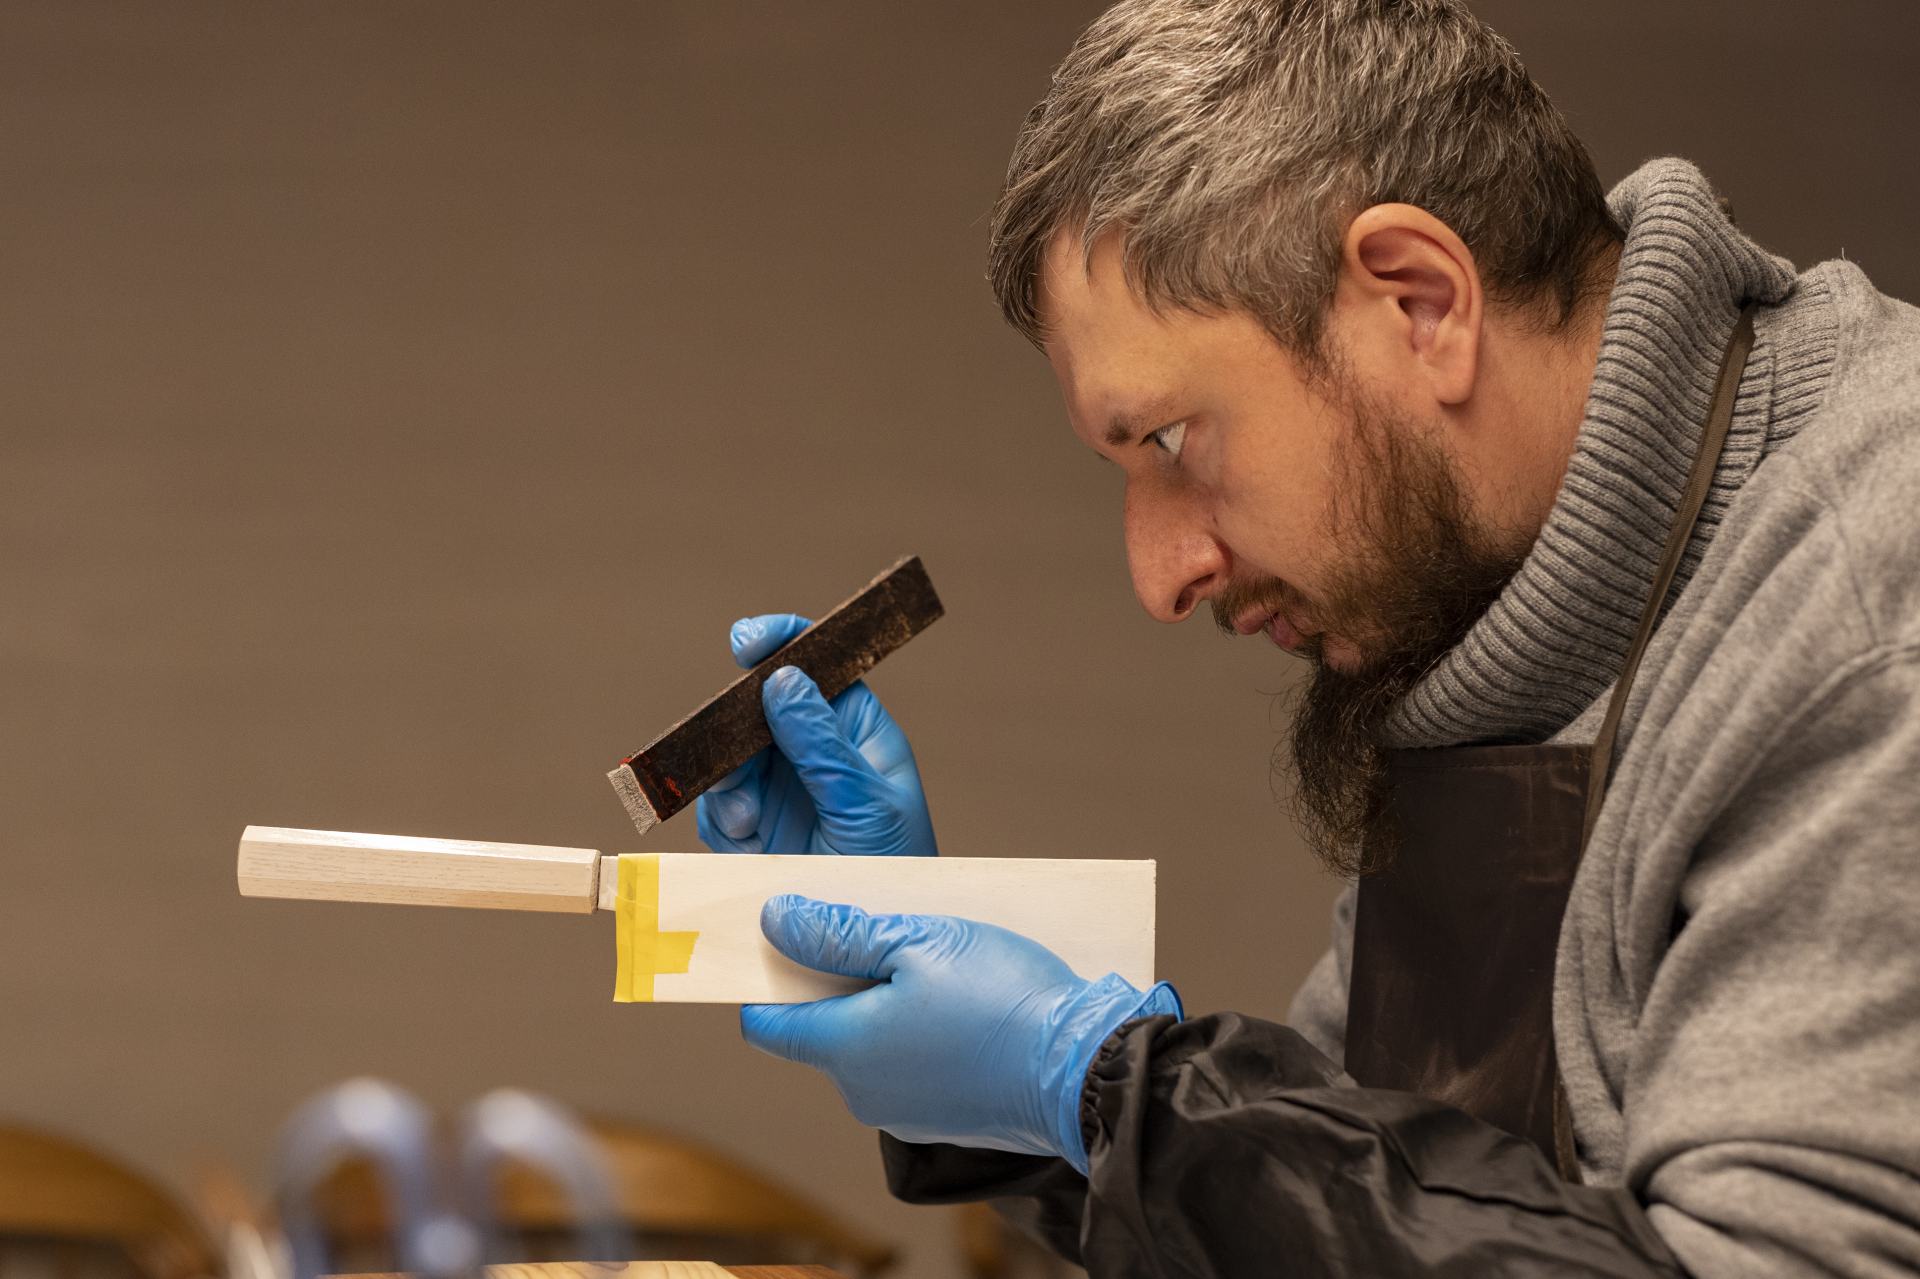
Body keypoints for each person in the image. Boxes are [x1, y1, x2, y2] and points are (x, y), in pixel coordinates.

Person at [695, 1, 1920, 1273]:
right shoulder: (1507, 621)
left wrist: (1109, 1087)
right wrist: (1021, 1099)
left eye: (1171, 440)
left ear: (1420, 302)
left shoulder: (1871, 609)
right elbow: (1384, 1205)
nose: (1161, 576)